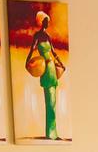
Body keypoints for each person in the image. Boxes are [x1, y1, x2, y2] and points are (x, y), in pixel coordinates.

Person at [24, 11, 66, 140]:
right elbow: (32, 49)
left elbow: (53, 52)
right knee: (49, 102)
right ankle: (50, 133)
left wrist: (61, 63)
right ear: (41, 22)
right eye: (46, 21)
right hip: (45, 68)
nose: (48, 23)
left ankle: (53, 133)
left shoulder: (48, 36)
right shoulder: (37, 36)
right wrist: (27, 62)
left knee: (53, 101)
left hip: (52, 68)